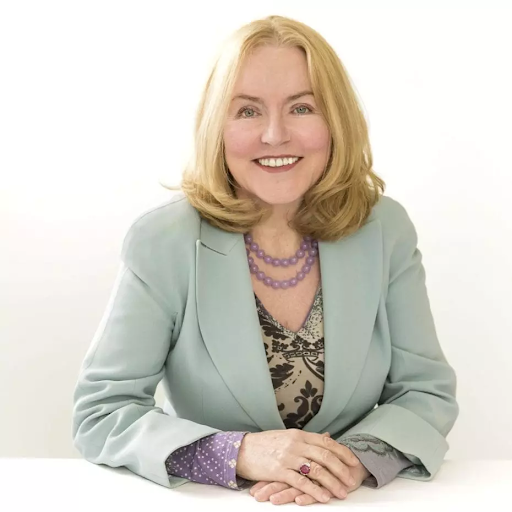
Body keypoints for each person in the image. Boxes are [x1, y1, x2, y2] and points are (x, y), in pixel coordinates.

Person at [71, 15, 459, 507]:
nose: (275, 135)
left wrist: (345, 463)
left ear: (335, 121)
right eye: (248, 111)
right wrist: (238, 453)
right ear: (217, 127)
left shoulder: (384, 229)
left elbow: (425, 392)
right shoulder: (163, 241)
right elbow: (103, 413)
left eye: (301, 107)